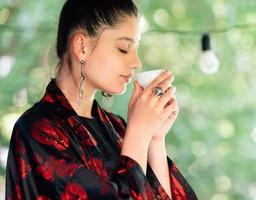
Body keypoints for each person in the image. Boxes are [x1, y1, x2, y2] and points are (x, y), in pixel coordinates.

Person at [5, 0, 198, 199]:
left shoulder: (118, 127)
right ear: (82, 47)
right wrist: (139, 133)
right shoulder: (37, 131)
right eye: (124, 48)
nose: (136, 62)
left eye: (136, 49)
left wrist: (155, 140)